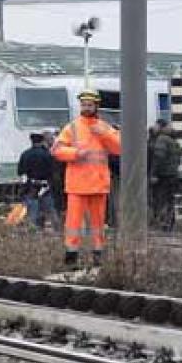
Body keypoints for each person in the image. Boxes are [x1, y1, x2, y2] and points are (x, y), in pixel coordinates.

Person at [51, 90, 122, 270]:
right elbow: (56, 150)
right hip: (77, 184)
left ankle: (98, 255)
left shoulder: (104, 127)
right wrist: (75, 153)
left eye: (89, 105)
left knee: (98, 223)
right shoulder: (72, 127)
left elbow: (119, 148)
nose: (86, 108)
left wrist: (104, 135)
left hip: (98, 184)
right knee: (73, 223)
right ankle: (71, 256)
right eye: (83, 105)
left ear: (96, 106)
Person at [17, 132, 58, 231]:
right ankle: (58, 231)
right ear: (42, 141)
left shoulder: (25, 154)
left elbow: (20, 172)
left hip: (31, 187)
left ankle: (34, 232)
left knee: (33, 212)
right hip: (45, 187)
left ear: (31, 141)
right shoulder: (47, 154)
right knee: (50, 211)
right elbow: (53, 171)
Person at [149, 119, 182, 232]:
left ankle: (162, 224)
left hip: (162, 176)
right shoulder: (173, 140)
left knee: (159, 200)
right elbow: (178, 159)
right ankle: (169, 224)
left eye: (156, 125)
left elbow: (158, 156)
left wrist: (153, 174)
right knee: (170, 200)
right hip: (172, 175)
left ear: (160, 127)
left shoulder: (162, 139)